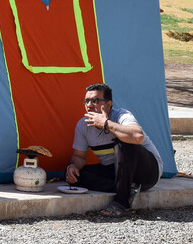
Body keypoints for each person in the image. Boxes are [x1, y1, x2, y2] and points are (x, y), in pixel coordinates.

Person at [66, 83, 163, 217]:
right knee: (80, 177)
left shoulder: (122, 115)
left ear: (108, 104)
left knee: (124, 141)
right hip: (117, 171)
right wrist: (73, 166)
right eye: (86, 101)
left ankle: (122, 202)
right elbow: (79, 156)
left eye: (94, 101)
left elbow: (138, 137)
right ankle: (130, 187)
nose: (89, 105)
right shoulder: (83, 125)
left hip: (147, 171)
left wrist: (106, 124)